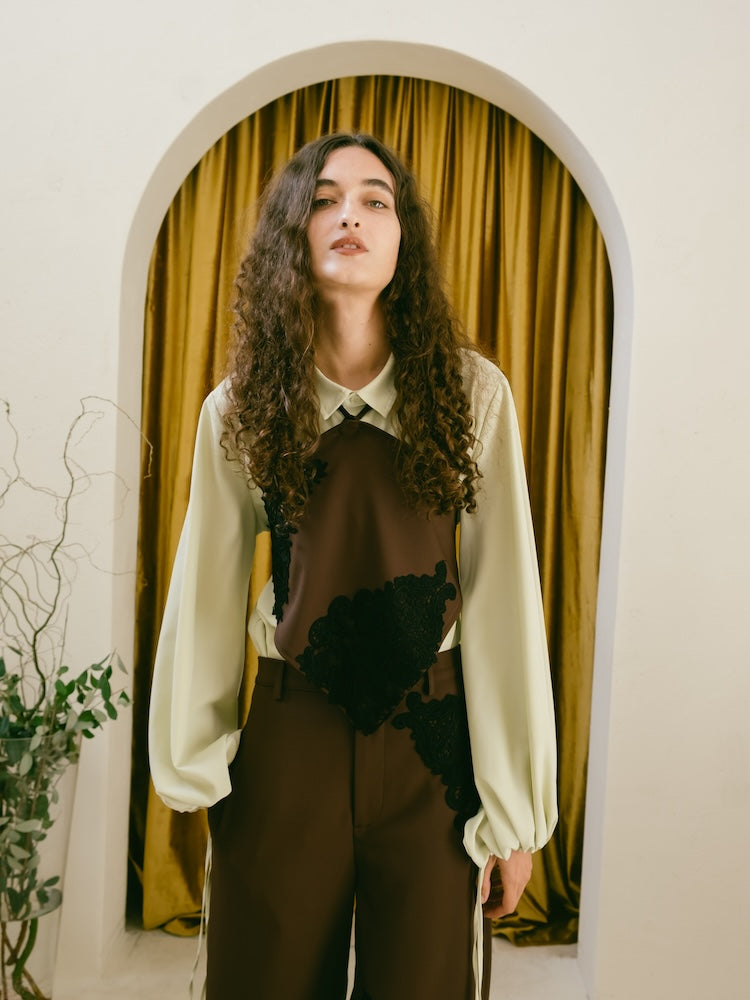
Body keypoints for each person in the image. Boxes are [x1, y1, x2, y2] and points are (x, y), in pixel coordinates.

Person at [148, 132, 558, 1000]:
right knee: (262, 980)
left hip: (433, 744)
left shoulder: (473, 395)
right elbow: (207, 591)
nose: (351, 217)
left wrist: (512, 813)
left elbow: (504, 603)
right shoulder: (242, 406)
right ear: (293, 233)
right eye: (326, 199)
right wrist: (200, 762)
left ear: (403, 238)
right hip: (290, 734)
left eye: (376, 200)